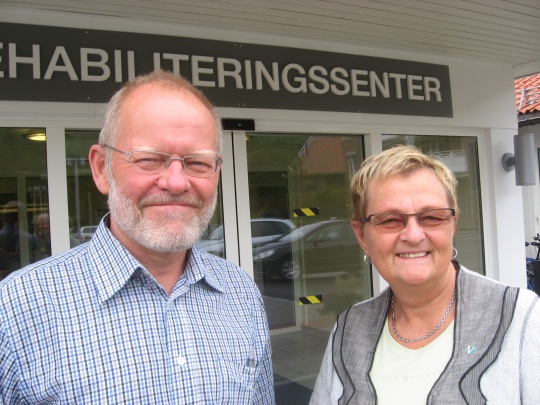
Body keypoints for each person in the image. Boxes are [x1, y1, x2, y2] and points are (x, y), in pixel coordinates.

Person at [0, 70, 274, 404]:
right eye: (148, 159)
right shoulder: (16, 309)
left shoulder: (241, 293)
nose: (176, 182)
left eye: (197, 163)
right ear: (102, 169)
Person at [310, 145, 540, 404]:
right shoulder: (348, 329)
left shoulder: (522, 318)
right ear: (362, 235)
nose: (413, 235)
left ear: (453, 224)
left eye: (431, 217)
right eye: (389, 220)